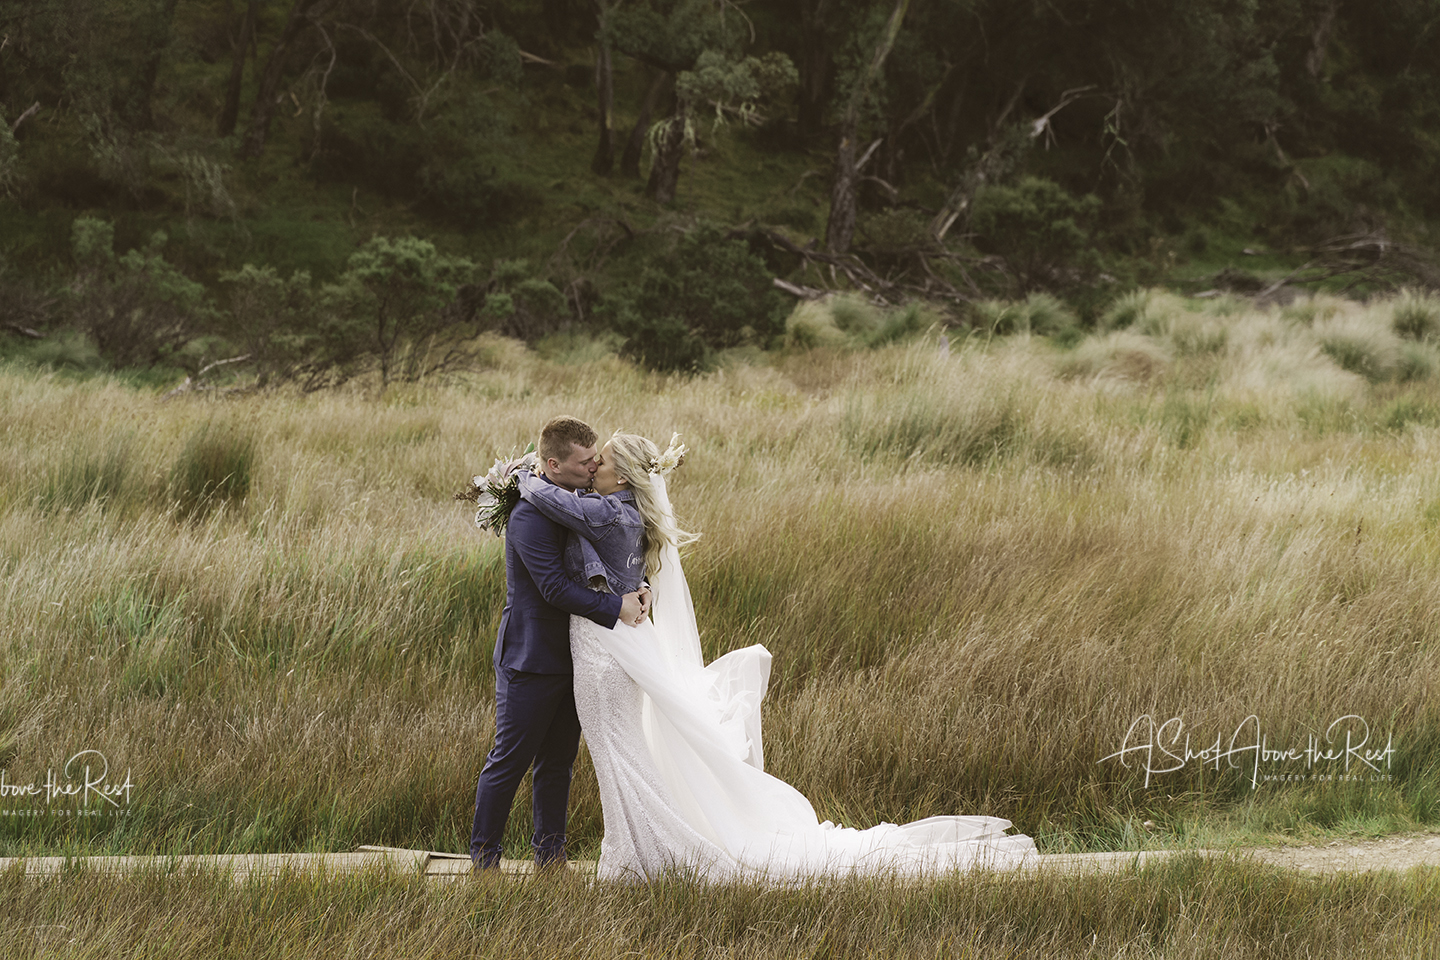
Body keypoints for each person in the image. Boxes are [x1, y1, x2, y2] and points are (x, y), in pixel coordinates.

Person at [517, 432, 1037, 880]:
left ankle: (649, 856)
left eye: (600, 463)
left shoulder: (609, 510)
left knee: (619, 755)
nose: (591, 470)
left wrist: (523, 478)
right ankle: (635, 854)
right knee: (619, 756)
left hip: (606, 652)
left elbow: (561, 508)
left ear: (624, 478)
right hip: (610, 644)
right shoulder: (621, 510)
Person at [469, 416, 650, 872]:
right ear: (553, 464)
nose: (594, 467)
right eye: (586, 461)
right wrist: (617, 609)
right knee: (509, 760)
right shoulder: (529, 515)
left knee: (558, 763)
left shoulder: (583, 501)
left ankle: (551, 859)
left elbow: (613, 555)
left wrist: (638, 585)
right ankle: (484, 862)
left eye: (596, 460)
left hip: (578, 656)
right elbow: (551, 587)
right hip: (531, 657)